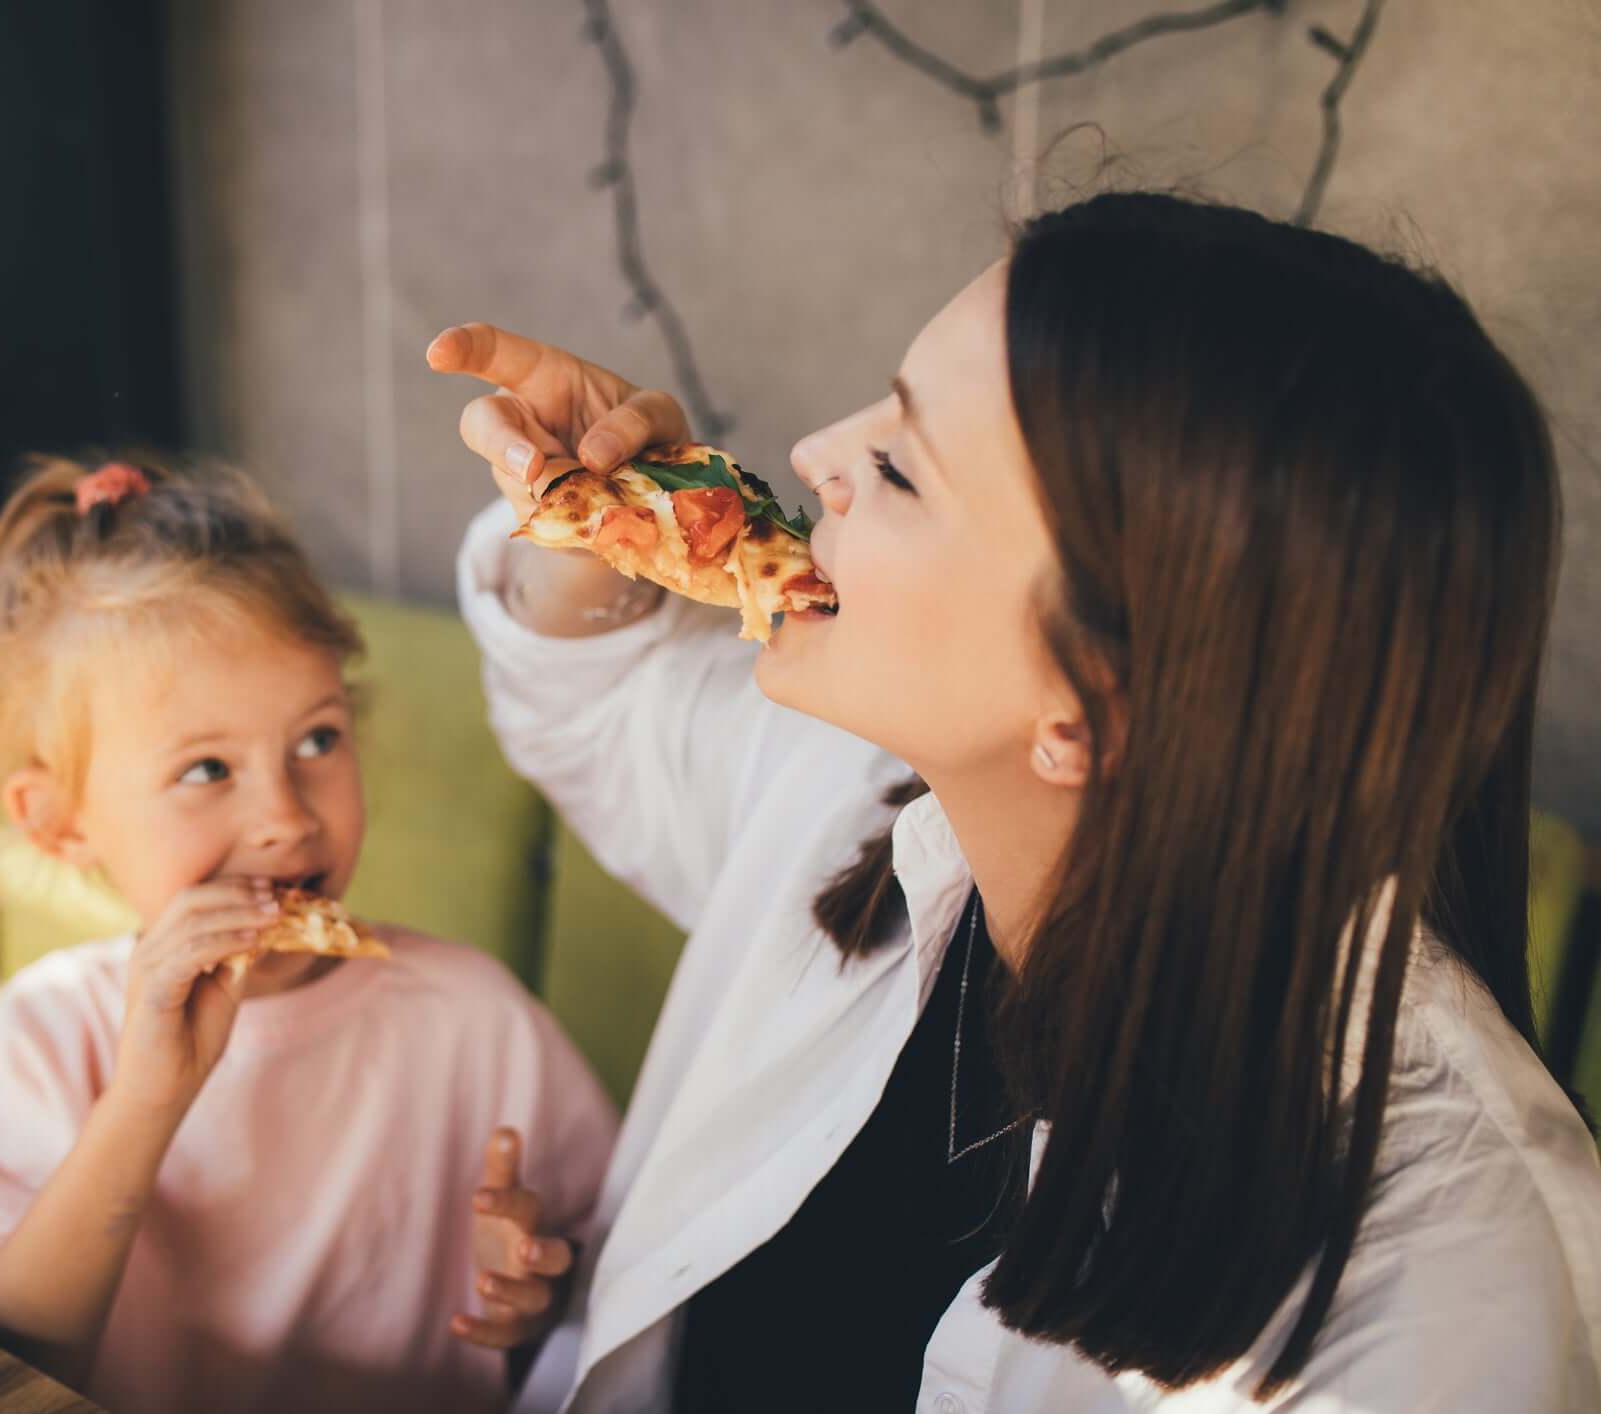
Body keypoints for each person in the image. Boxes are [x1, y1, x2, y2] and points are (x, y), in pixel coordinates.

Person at [429, 192, 1601, 1411]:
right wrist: (615, 520)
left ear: (1094, 707)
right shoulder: (877, 791)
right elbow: (601, 716)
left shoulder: (1444, 1292)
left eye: (896, 466)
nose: (818, 452)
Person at [0, 454, 618, 1413]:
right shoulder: (41, 1043)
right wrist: (147, 1099)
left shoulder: (474, 1018)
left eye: (317, 740)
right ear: (59, 822)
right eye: (206, 770)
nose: (286, 815)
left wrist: (537, 1290)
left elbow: (624, 1281)